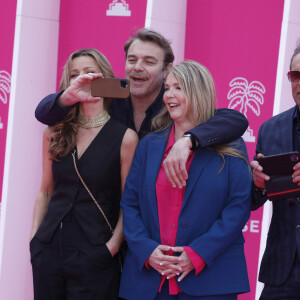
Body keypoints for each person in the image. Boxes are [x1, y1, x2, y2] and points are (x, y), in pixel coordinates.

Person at [35, 28, 249, 188]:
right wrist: (66, 97)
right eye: (132, 59)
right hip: (105, 217)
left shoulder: (174, 107)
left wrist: (188, 140)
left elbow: (235, 120)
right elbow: (43, 113)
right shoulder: (108, 100)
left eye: (148, 61)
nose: (137, 67)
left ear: (166, 70)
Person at [119, 60, 252, 300]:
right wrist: (147, 250)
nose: (169, 95)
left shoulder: (232, 146)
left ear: (198, 92)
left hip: (211, 281)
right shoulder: (149, 145)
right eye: (167, 88)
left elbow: (238, 207)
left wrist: (198, 253)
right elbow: (130, 203)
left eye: (178, 88)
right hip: (149, 282)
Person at [30, 48, 138, 299]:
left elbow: (128, 202)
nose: (84, 79)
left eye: (90, 72)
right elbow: (45, 191)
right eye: (75, 74)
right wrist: (34, 239)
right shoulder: (54, 132)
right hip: (48, 248)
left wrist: (111, 247)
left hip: (96, 252)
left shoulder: (125, 137)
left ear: (106, 78)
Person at [251, 44, 300, 299]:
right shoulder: (270, 129)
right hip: (282, 270)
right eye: (297, 75)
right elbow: (253, 200)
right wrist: (258, 185)